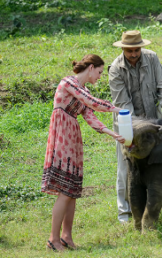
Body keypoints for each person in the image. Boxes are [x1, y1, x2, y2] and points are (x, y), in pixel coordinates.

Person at [42, 54, 125, 252]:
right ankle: (52, 240)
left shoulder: (82, 90)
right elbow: (92, 102)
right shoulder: (69, 83)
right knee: (64, 190)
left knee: (71, 191)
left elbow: (90, 116)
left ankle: (66, 237)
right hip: (62, 136)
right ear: (90, 68)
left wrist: (112, 133)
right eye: (98, 72)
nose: (99, 76)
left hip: (72, 137)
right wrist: (116, 109)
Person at [108, 30, 162, 223]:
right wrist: (138, 130)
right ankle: (125, 213)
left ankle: (158, 208)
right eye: (129, 50)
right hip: (127, 124)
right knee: (126, 167)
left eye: (136, 50)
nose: (133, 54)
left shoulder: (152, 58)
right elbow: (123, 105)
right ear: (123, 48)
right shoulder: (116, 69)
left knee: (158, 164)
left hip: (153, 123)